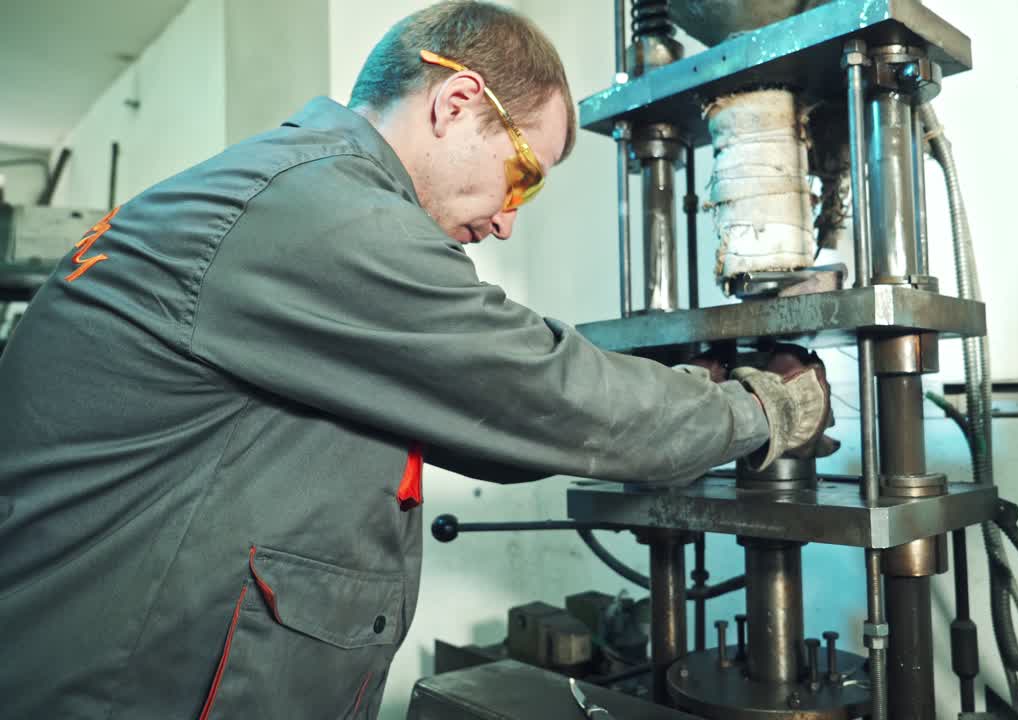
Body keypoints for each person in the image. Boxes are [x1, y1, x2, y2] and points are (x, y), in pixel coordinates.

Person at [0, 2, 829, 717]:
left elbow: (487, 422)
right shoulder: (322, 210)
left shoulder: (285, 191)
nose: (508, 219)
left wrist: (687, 393)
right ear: (458, 102)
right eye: (523, 177)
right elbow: (549, 394)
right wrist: (763, 409)